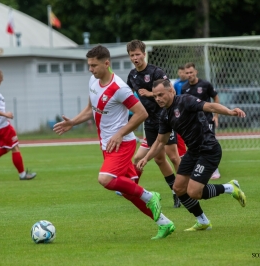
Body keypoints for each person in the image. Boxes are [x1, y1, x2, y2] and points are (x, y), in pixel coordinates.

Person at [53, 45, 175, 240]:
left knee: (105, 179)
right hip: (107, 145)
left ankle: (150, 196)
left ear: (106, 63)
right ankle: (165, 223)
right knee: (128, 193)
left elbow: (141, 113)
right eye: (89, 65)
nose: (91, 69)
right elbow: (91, 108)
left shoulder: (119, 88)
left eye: (94, 65)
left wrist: (119, 133)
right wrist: (73, 122)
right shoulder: (93, 81)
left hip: (122, 144)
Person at [137, 79, 247, 231]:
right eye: (155, 96)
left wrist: (229, 112)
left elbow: (209, 106)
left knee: (194, 192)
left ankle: (230, 188)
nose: (158, 99)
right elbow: (160, 141)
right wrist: (146, 158)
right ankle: (203, 221)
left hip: (209, 150)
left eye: (161, 95)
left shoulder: (185, 101)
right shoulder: (165, 115)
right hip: (193, 151)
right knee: (179, 188)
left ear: (171, 91)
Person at [126, 39, 181, 208]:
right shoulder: (132, 75)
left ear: (144, 54)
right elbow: (128, 96)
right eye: (132, 55)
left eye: (138, 54)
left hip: (165, 118)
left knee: (173, 156)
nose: (135, 58)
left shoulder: (156, 72)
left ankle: (184, 186)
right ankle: (175, 191)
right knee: (158, 159)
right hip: (149, 122)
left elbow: (169, 90)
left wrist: (150, 93)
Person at [0, 68, 36, 180]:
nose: (2, 81)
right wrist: (5, 115)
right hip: (2, 126)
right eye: (1, 79)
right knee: (15, 147)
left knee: (6, 147)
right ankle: (22, 175)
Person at [182, 62, 221, 180]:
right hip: (193, 122)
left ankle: (214, 169)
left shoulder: (205, 84)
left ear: (196, 72)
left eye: (191, 72)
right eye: (187, 73)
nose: (189, 75)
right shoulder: (184, 88)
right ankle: (199, 168)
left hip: (207, 119)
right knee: (195, 144)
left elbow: (216, 98)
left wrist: (216, 115)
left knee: (210, 142)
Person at [173, 65, 188, 158]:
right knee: (179, 133)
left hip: (189, 111)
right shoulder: (176, 84)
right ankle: (182, 154)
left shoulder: (189, 83)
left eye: (183, 72)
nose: (182, 74)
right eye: (180, 72)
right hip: (179, 112)